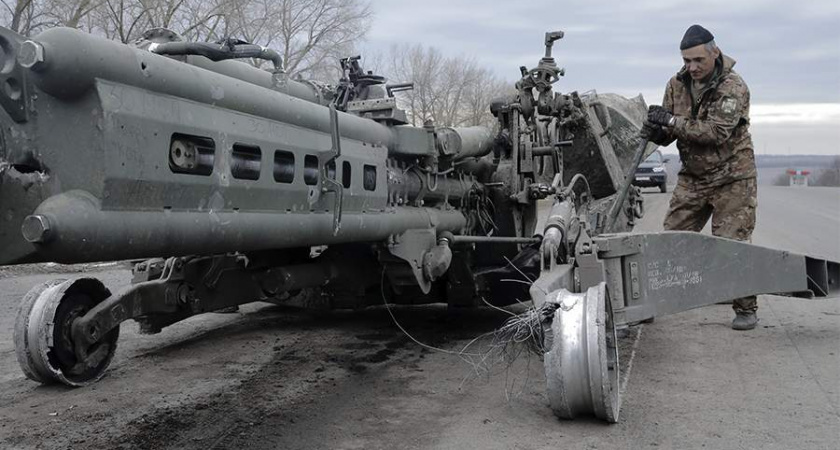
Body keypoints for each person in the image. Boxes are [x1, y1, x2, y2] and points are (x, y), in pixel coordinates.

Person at [642, 24, 759, 330]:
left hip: (732, 178)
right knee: (669, 242)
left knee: (732, 245)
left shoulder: (733, 87)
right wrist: (657, 130)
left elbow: (716, 133)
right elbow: (671, 130)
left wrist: (670, 121)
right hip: (693, 177)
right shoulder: (675, 85)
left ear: (714, 53)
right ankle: (650, 303)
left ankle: (746, 308)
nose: (691, 67)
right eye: (686, 61)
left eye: (698, 61)